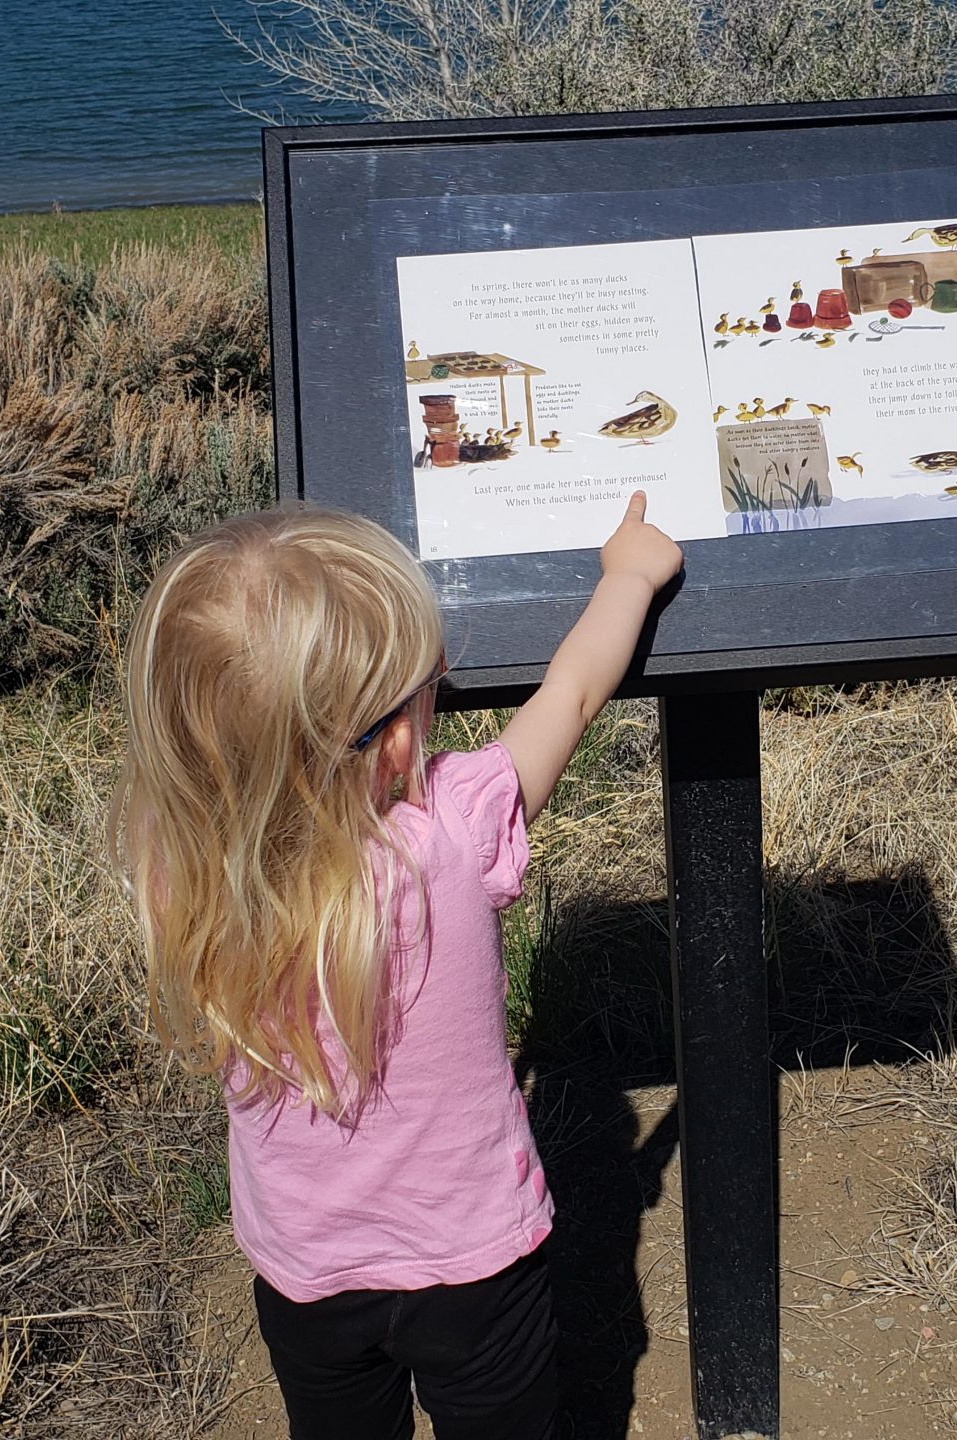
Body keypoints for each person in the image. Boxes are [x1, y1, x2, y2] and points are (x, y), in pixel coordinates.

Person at [109, 494, 683, 1439]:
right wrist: (629, 574)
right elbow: (572, 695)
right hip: (472, 1266)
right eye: (425, 678)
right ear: (395, 737)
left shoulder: (183, 866)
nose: (443, 679)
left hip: (303, 1272)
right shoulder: (453, 826)